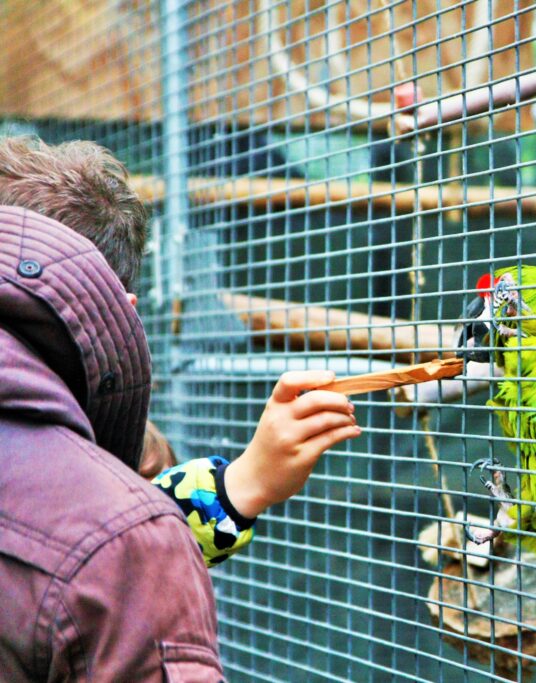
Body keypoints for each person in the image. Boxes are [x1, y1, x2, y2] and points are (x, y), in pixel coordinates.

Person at [0, 136, 360, 679]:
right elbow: (114, 548)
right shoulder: (114, 515)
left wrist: (244, 483)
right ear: (123, 314)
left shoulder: (114, 441)